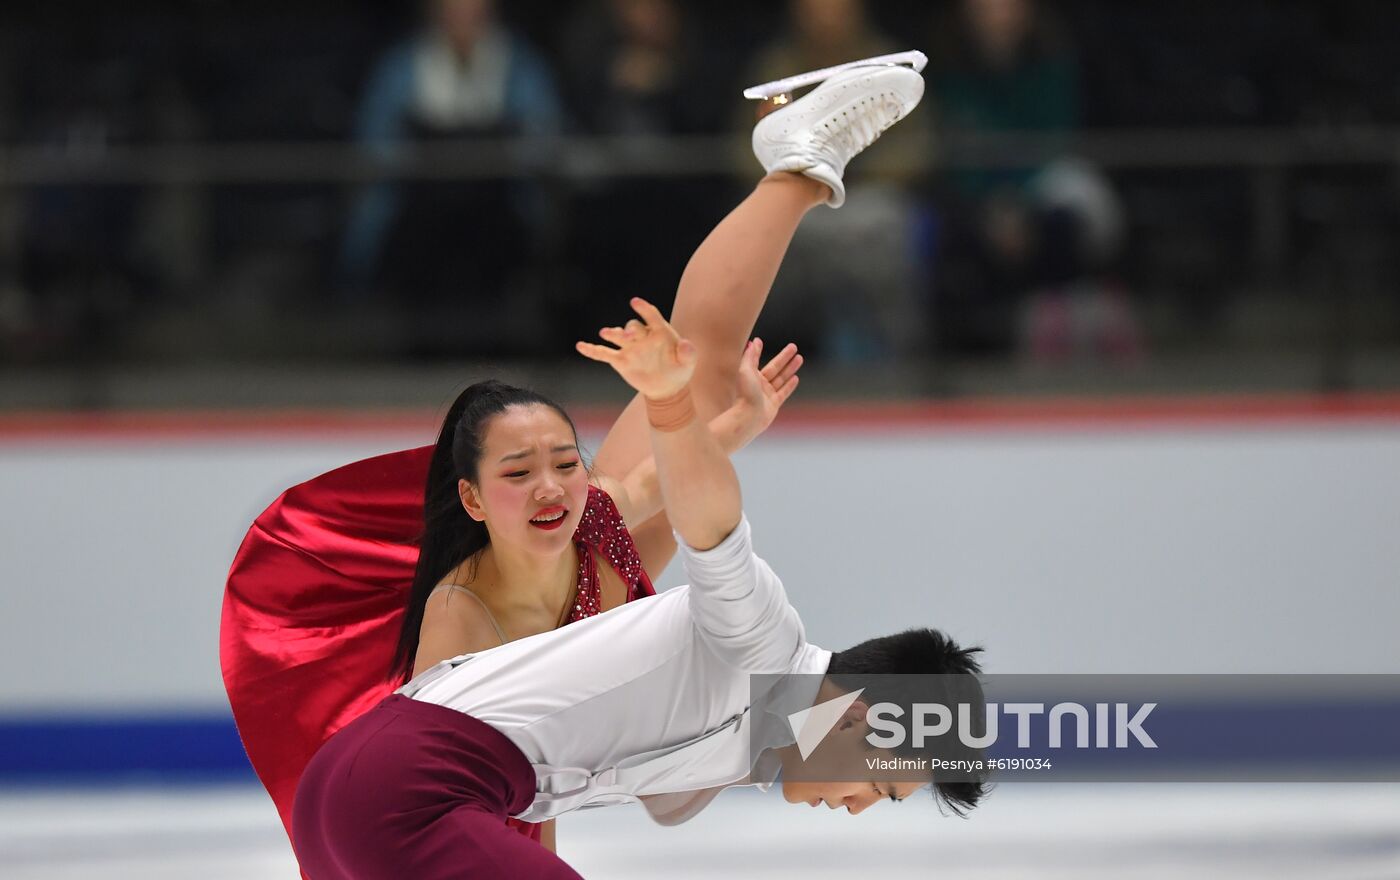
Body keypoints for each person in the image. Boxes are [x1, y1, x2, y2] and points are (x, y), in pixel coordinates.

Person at [222, 54, 926, 863]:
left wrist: (721, 431)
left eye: (562, 464)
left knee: (696, 358)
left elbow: (632, 497)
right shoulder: (466, 610)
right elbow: (503, 787)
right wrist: (693, 423)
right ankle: (800, 165)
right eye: (521, 475)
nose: (554, 487)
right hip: (456, 749)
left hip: (593, 645)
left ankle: (798, 166)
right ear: (478, 505)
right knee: (692, 366)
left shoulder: (580, 536)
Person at [292, 294, 987, 879]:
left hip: (352, 790)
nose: (861, 807)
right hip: (411, 788)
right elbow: (712, 524)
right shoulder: (765, 643)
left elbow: (666, 793)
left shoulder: (748, 746)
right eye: (885, 787)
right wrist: (670, 403)